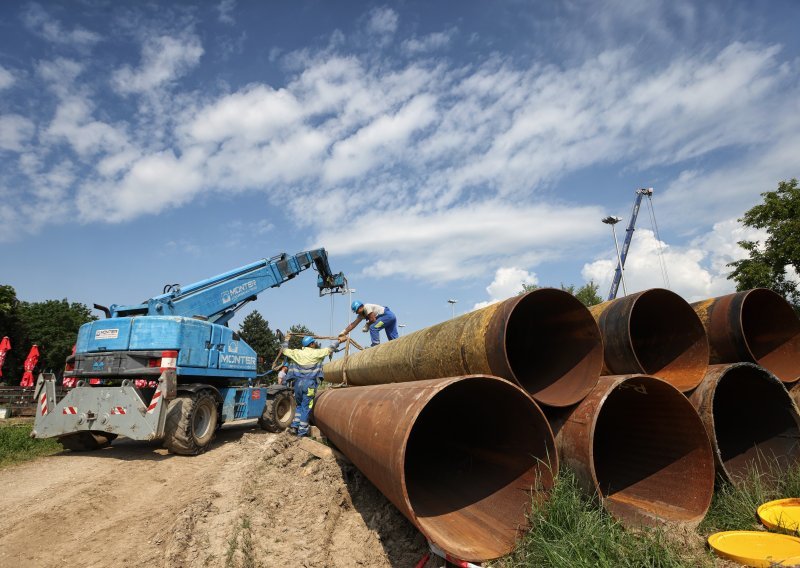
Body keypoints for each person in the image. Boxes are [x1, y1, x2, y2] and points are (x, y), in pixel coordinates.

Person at [280, 333, 343, 437]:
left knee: (299, 406)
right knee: (306, 407)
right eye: (314, 343)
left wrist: (287, 339)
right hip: (309, 384)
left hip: (298, 384)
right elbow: (330, 349)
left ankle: (295, 427)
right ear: (312, 344)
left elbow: (284, 350)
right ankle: (302, 432)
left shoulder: (296, 353)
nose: (315, 345)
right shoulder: (316, 353)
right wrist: (340, 341)